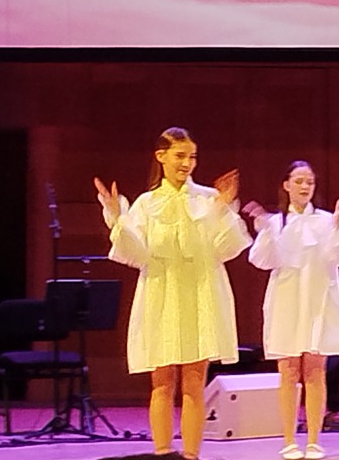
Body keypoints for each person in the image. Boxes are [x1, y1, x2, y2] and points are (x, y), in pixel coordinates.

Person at [95, 127, 252, 460]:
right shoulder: (147, 203)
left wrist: (223, 209)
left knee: (194, 382)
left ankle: (192, 456)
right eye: (180, 156)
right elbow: (136, 253)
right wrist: (117, 219)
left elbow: (227, 248)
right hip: (162, 294)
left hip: (200, 293)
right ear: (161, 156)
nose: (187, 163)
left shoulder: (208, 199)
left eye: (192, 157)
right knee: (162, 382)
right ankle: (163, 453)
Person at [244, 160, 339, 460]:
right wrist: (265, 231)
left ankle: (313, 440)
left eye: (309, 181)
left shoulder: (326, 221)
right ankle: (288, 440)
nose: (305, 186)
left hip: (318, 300)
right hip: (286, 302)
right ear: (286, 185)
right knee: (288, 371)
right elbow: (261, 260)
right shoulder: (275, 222)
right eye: (299, 181)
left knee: (315, 370)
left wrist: (338, 228)